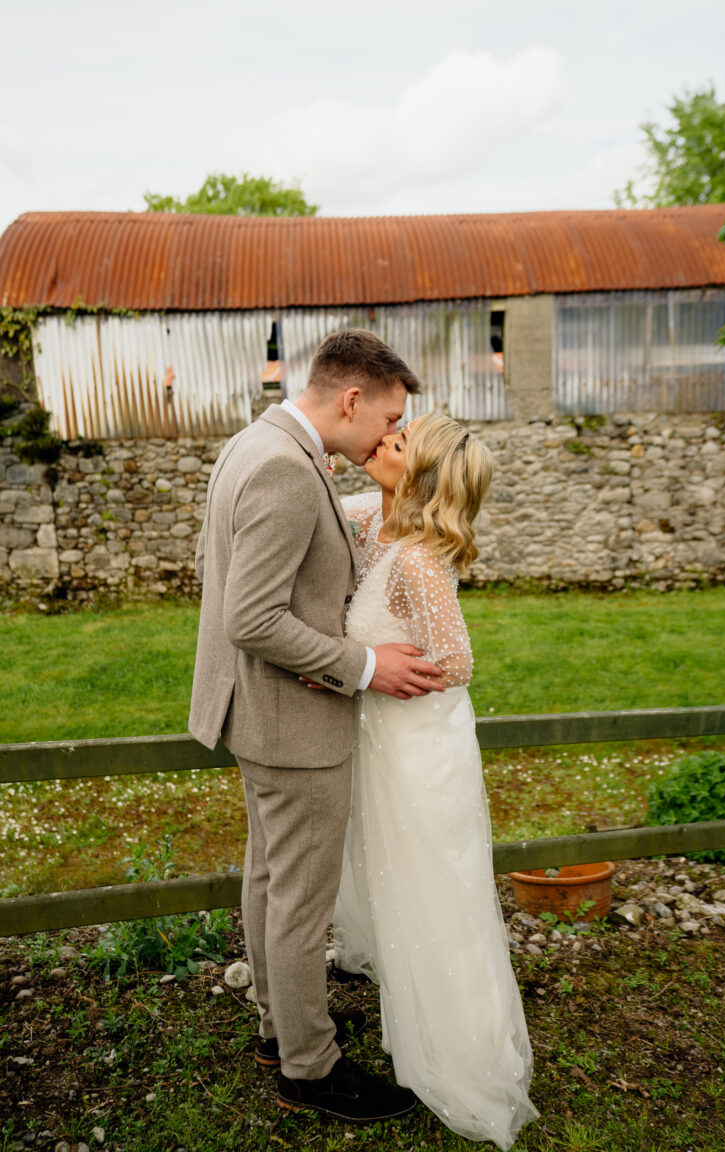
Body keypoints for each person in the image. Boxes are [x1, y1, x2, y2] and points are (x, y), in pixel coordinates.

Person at [189, 329, 446, 1124]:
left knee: (270, 882)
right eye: (389, 416)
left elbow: (245, 574)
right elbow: (252, 616)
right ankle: (310, 1068)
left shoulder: (256, 444)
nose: (389, 435)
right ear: (351, 399)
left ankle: (280, 1028)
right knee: (301, 902)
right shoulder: (283, 470)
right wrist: (362, 665)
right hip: (293, 723)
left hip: (256, 712)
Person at [333, 413, 539, 1148]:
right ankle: (415, 1021)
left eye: (397, 444)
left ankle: (464, 1056)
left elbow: (457, 663)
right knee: (395, 890)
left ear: (418, 476)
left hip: (416, 748)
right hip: (382, 742)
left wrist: (382, 674)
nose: (381, 444)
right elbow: (334, 503)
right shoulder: (374, 527)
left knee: (434, 897)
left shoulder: (419, 560)